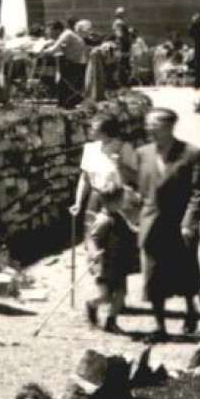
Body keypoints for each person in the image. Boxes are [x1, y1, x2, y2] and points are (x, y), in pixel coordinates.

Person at [136, 108, 200, 340]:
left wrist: (190, 222)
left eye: (154, 124)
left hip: (180, 224)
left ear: (169, 126)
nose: (149, 128)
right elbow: (137, 189)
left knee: (185, 272)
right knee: (153, 275)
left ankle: (191, 310)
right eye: (147, 124)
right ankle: (160, 327)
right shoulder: (142, 153)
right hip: (151, 223)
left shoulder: (191, 154)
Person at [70, 113, 140, 333]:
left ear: (107, 130)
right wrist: (77, 203)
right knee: (96, 250)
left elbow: (136, 177)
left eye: (95, 127)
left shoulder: (124, 148)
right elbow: (84, 178)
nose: (90, 129)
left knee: (120, 253)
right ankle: (101, 298)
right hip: (96, 200)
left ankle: (112, 312)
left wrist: (121, 167)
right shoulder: (90, 149)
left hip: (120, 201)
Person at [48, 20, 89, 108]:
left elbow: (54, 49)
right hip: (79, 64)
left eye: (50, 31)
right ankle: (64, 104)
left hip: (73, 65)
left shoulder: (67, 34)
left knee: (62, 82)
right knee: (63, 83)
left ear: (57, 30)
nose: (49, 33)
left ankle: (64, 104)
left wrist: (40, 52)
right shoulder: (72, 36)